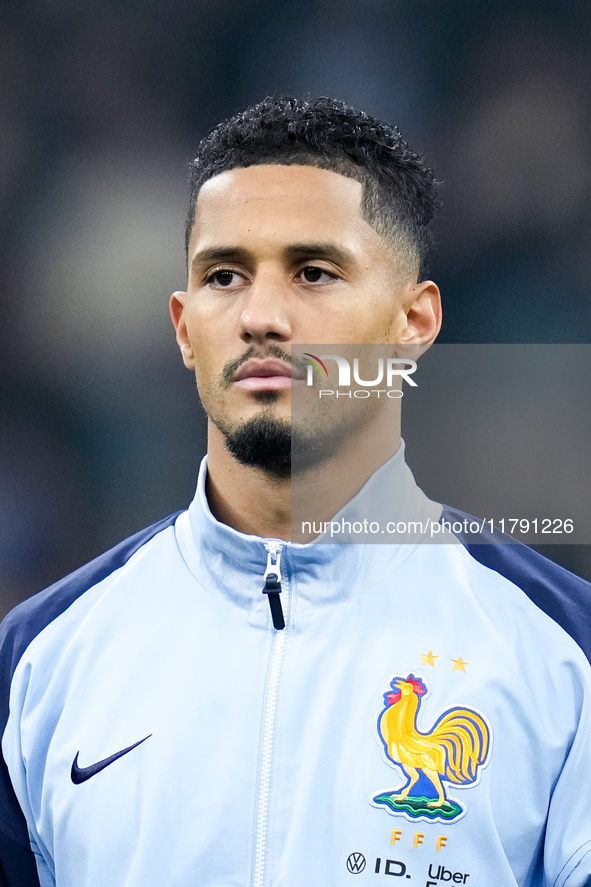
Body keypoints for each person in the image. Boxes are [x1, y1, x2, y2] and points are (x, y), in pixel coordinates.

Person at [1, 96, 590, 887]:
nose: (262, 315)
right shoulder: (37, 661)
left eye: (313, 272)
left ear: (413, 320)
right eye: (223, 275)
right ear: (182, 326)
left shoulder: (563, 652)